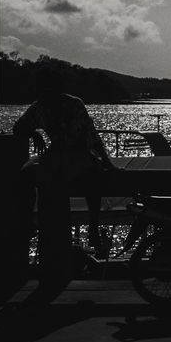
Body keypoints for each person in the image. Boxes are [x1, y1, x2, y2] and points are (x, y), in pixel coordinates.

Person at [13, 67, 118, 285]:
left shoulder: (73, 105)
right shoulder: (39, 107)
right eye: (41, 88)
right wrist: (34, 133)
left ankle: (93, 225)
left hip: (79, 155)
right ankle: (27, 221)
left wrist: (108, 164)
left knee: (90, 177)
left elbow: (91, 137)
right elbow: (18, 127)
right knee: (25, 173)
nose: (43, 92)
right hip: (56, 157)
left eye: (46, 87)